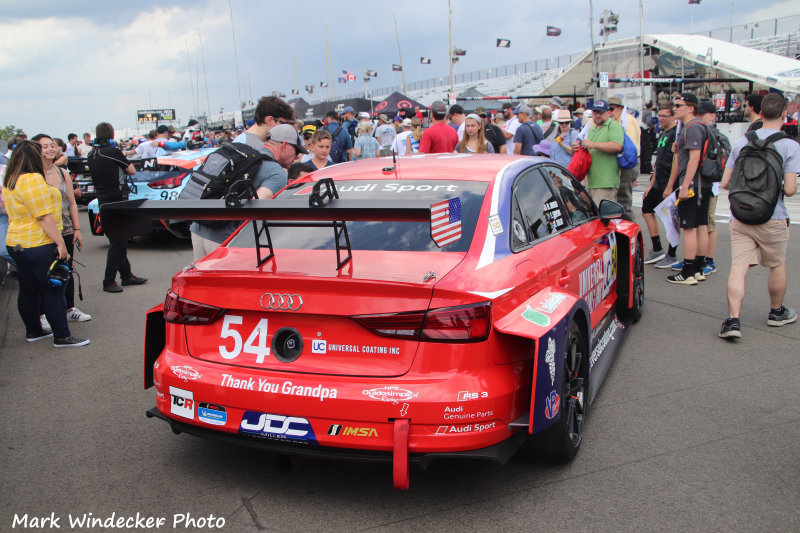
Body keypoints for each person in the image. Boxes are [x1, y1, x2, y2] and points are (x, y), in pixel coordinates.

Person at [719, 93, 799, 339]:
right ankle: (776, 313)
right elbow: (789, 189)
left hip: (741, 214)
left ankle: (733, 321)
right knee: (776, 265)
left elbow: (724, 183)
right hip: (773, 215)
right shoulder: (790, 146)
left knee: (739, 266)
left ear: (760, 113)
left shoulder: (742, 142)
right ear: (785, 115)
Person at [3, 141, 89, 347]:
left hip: (17, 242)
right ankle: (62, 335)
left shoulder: (11, 180)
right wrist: (60, 243)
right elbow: (43, 216)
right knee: (54, 289)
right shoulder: (32, 179)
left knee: (29, 289)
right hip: (38, 242)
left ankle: (34, 330)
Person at [190, 124, 301, 261]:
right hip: (225, 240)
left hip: (198, 230)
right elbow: (254, 210)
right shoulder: (277, 173)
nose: (297, 156)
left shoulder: (246, 154)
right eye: (296, 150)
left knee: (202, 282)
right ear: (284, 146)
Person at [32, 134, 91, 322]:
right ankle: (42, 314)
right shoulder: (33, 175)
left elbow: (72, 203)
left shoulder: (61, 172)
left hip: (66, 229)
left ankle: (69, 308)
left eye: (53, 145)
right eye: (45, 146)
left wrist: (77, 229)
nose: (50, 149)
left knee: (67, 269)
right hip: (44, 232)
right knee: (45, 273)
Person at [87, 122, 146, 293]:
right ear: (112, 135)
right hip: (117, 199)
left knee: (116, 239)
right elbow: (132, 171)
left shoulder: (92, 153)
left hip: (102, 199)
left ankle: (126, 275)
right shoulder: (112, 152)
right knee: (118, 242)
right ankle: (109, 281)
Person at [664, 93, 710, 285]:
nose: (674, 108)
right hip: (703, 184)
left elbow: (694, 158)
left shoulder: (691, 128)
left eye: (678, 105)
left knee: (689, 227)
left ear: (690, 108)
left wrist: (684, 186)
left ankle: (689, 270)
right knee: (701, 225)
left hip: (692, 184)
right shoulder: (696, 127)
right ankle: (698, 268)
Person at [642, 103, 680, 268]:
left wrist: (670, 185)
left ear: (673, 116)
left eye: (665, 115)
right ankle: (657, 248)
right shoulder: (663, 133)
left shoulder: (676, 134)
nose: (661, 118)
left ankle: (672, 254)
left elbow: (677, 161)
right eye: (660, 115)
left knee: (671, 219)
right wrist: (651, 184)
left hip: (670, 183)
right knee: (646, 209)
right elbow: (657, 162)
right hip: (658, 182)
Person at [571, 100, 623, 205]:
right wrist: (576, 148)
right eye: (595, 112)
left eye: (601, 112)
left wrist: (593, 144)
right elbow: (588, 149)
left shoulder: (613, 125)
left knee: (604, 218)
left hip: (606, 182)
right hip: (591, 182)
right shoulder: (592, 128)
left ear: (608, 112)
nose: (598, 115)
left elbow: (617, 146)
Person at [608, 96, 641, 221]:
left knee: (623, 198)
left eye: (611, 109)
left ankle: (628, 231)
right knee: (617, 198)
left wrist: (622, 166)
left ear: (620, 108)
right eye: (608, 109)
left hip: (626, 163)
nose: (609, 112)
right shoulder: (616, 121)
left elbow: (629, 150)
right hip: (621, 163)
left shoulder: (627, 121)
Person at [640, 100, 655, 174]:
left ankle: (643, 168)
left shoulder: (645, 112)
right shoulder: (649, 112)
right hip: (646, 131)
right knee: (648, 150)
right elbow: (648, 121)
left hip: (642, 130)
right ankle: (648, 168)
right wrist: (652, 127)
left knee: (643, 150)